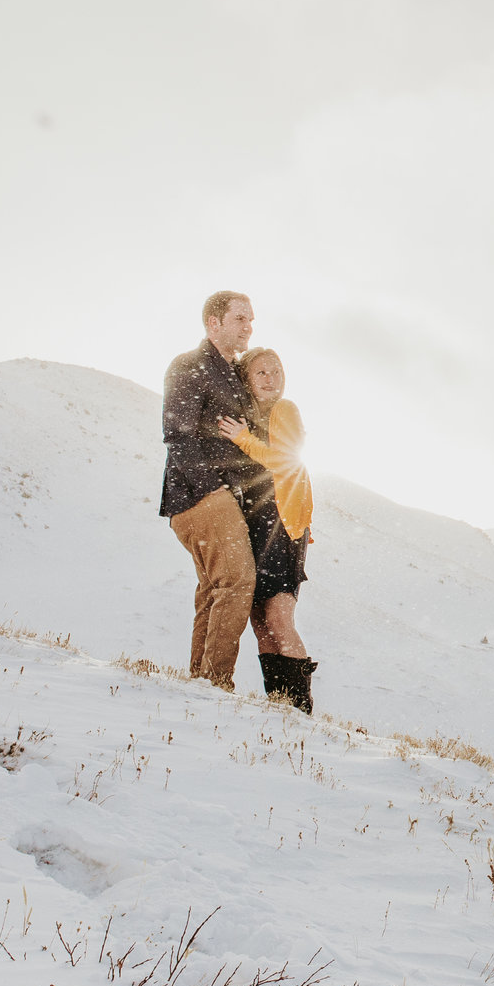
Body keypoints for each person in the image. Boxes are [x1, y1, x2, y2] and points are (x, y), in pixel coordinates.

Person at [160, 291, 268, 689]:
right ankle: (217, 683)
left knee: (214, 589)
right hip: (200, 496)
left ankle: (199, 685)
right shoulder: (190, 365)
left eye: (251, 319)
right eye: (241, 319)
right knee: (239, 580)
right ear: (214, 323)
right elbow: (178, 435)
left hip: (213, 497)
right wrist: (215, 490)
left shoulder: (233, 374)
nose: (249, 327)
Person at [216, 346, 315, 713]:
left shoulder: (284, 410)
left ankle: (301, 710)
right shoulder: (250, 416)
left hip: (281, 523)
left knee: (277, 616)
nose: (271, 378)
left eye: (276, 371)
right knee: (260, 621)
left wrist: (243, 439)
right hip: (256, 524)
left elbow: (286, 461)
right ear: (247, 379)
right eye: (261, 372)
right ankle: (280, 707)